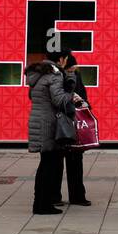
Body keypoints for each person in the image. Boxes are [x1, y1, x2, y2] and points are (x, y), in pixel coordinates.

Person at [27, 50, 74, 214]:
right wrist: (70, 89)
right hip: (49, 124)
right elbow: (59, 100)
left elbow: (32, 97)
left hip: (38, 120)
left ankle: (39, 203)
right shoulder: (55, 75)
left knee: (44, 164)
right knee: (50, 166)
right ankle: (44, 205)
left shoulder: (38, 74)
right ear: (61, 59)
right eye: (66, 59)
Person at [50, 51, 91, 207]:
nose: (72, 72)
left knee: (76, 161)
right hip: (60, 122)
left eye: (74, 70)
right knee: (57, 162)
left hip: (74, 123)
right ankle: (55, 196)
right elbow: (55, 99)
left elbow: (84, 95)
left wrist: (83, 102)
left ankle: (78, 196)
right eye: (70, 70)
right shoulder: (56, 77)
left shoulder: (76, 77)